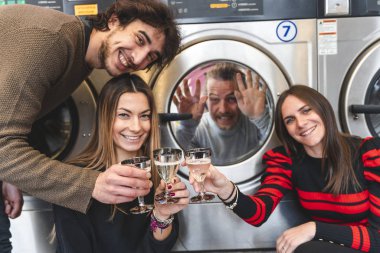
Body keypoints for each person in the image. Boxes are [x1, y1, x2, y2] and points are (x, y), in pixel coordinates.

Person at [0, 0, 180, 250]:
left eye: (150, 56)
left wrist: (10, 176)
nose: (138, 59)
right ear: (115, 19)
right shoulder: (54, 41)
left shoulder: (80, 58)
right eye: (140, 39)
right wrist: (91, 184)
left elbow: (17, 117)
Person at [190, 85, 380, 252]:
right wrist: (225, 189)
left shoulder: (369, 154)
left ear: (324, 110)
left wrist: (315, 228)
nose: (301, 123)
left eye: (306, 111)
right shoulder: (285, 160)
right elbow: (258, 213)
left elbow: (378, 239)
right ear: (285, 129)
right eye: (290, 120)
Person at [53, 73, 189, 252]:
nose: (136, 127)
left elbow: (157, 248)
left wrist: (162, 216)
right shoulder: (76, 179)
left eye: (144, 116)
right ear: (105, 118)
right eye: (124, 115)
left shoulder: (159, 176)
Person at [173, 62, 270, 164]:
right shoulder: (197, 129)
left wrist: (260, 117)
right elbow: (177, 161)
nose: (223, 109)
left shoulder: (254, 124)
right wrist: (187, 127)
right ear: (206, 101)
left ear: (243, 98)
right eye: (214, 99)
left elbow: (274, 149)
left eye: (232, 99)